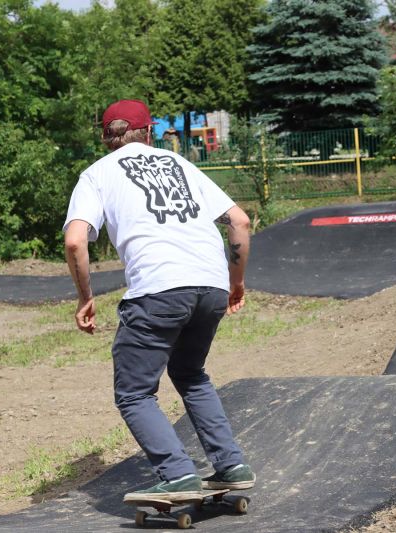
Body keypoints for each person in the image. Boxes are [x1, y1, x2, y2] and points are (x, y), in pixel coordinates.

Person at [63, 99, 255, 500]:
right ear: (149, 133)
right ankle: (230, 465)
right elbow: (239, 220)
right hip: (211, 286)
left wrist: (85, 298)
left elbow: (75, 240)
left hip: (159, 289)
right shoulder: (182, 164)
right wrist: (235, 282)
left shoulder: (96, 174)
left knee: (134, 391)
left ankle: (178, 473)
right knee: (190, 373)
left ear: (105, 136)